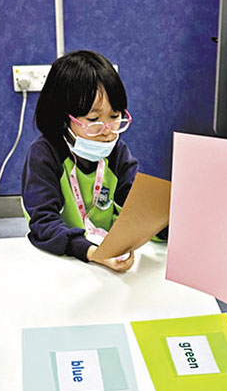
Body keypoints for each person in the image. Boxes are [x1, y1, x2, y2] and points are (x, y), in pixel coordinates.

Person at [21, 49, 139, 272]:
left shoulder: (118, 153)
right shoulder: (44, 155)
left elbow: (135, 208)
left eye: (115, 117)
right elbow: (43, 223)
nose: (107, 131)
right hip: (62, 257)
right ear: (63, 118)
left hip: (109, 256)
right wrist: (93, 252)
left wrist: (165, 226)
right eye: (94, 119)